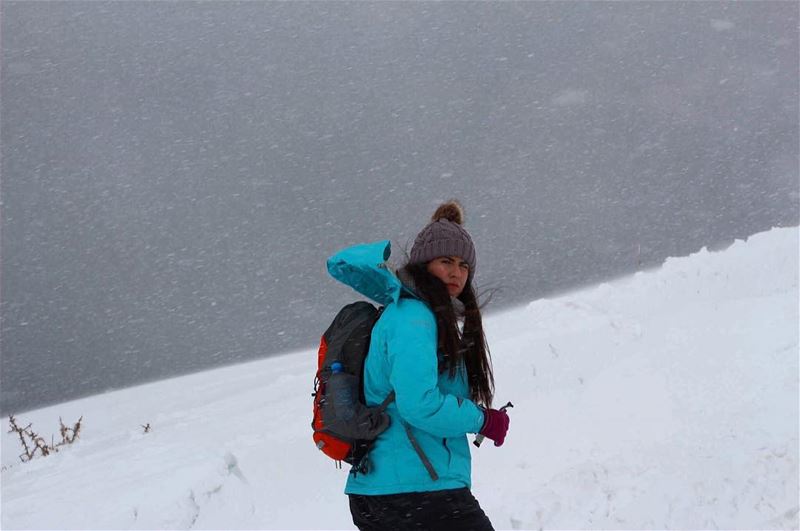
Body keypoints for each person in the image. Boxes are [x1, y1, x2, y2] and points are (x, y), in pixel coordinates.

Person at [326, 200, 510, 530]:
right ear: (425, 265)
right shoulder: (414, 317)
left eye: (464, 265)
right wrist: (481, 419)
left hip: (395, 489)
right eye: (446, 261)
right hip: (415, 490)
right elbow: (419, 405)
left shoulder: (421, 317)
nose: (456, 272)